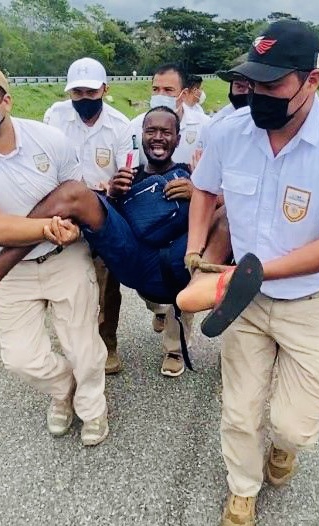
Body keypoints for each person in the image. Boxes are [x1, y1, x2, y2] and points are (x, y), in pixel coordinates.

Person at [179, 20, 319, 526]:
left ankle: (283, 448)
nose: (256, 94)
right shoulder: (229, 131)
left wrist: (246, 274)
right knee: (240, 409)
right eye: (250, 82)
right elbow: (204, 189)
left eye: (271, 84)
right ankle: (242, 488)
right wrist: (196, 249)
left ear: (311, 81)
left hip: (314, 300)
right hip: (247, 304)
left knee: (296, 425)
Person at [0, 106, 259, 348]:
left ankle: (205, 283)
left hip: (177, 264)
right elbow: (112, 224)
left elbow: (232, 209)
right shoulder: (128, 175)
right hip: (136, 259)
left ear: (177, 138)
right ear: (141, 136)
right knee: (74, 193)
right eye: (151, 131)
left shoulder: (192, 174)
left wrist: (202, 194)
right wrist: (114, 195)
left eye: (166, 132)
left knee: (231, 213)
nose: (158, 137)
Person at [0, 60, 109, 447]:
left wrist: (70, 229)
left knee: (84, 348)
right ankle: (63, 389)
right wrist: (50, 227)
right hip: (13, 268)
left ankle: (92, 408)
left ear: (6, 101)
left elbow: (76, 199)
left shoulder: (49, 140)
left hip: (65, 258)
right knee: (20, 359)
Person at [44, 57, 133, 375]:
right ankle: (74, 345)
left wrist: (115, 187)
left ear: (104, 90)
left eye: (91, 92)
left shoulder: (120, 126)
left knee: (106, 284)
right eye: (77, 92)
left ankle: (107, 343)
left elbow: (126, 172)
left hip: (103, 211)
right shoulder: (55, 118)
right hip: (63, 212)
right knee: (66, 282)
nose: (84, 99)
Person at [130, 64, 210, 377]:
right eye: (155, 89)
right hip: (148, 215)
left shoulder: (205, 127)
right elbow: (128, 167)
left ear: (184, 93)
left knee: (182, 274)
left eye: (168, 90)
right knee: (148, 286)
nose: (160, 95)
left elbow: (215, 178)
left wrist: (196, 191)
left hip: (188, 214)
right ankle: (159, 305)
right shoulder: (135, 125)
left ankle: (175, 348)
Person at [200, 75, 250, 148]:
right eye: (240, 87)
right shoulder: (215, 125)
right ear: (231, 88)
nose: (246, 92)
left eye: (251, 88)